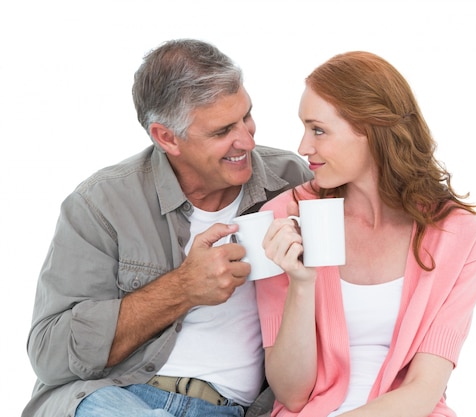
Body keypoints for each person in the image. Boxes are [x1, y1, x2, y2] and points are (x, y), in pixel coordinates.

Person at [23, 39, 313, 417]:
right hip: (117, 397)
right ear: (166, 137)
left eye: (247, 116)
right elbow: (50, 352)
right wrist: (183, 289)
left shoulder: (289, 181)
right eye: (222, 130)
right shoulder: (102, 204)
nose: (247, 139)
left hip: (235, 409)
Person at [255, 51, 476, 417]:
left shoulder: (459, 236)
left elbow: (425, 388)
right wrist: (302, 283)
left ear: (371, 130)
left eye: (318, 130)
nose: (303, 148)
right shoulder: (284, 218)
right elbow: (292, 393)